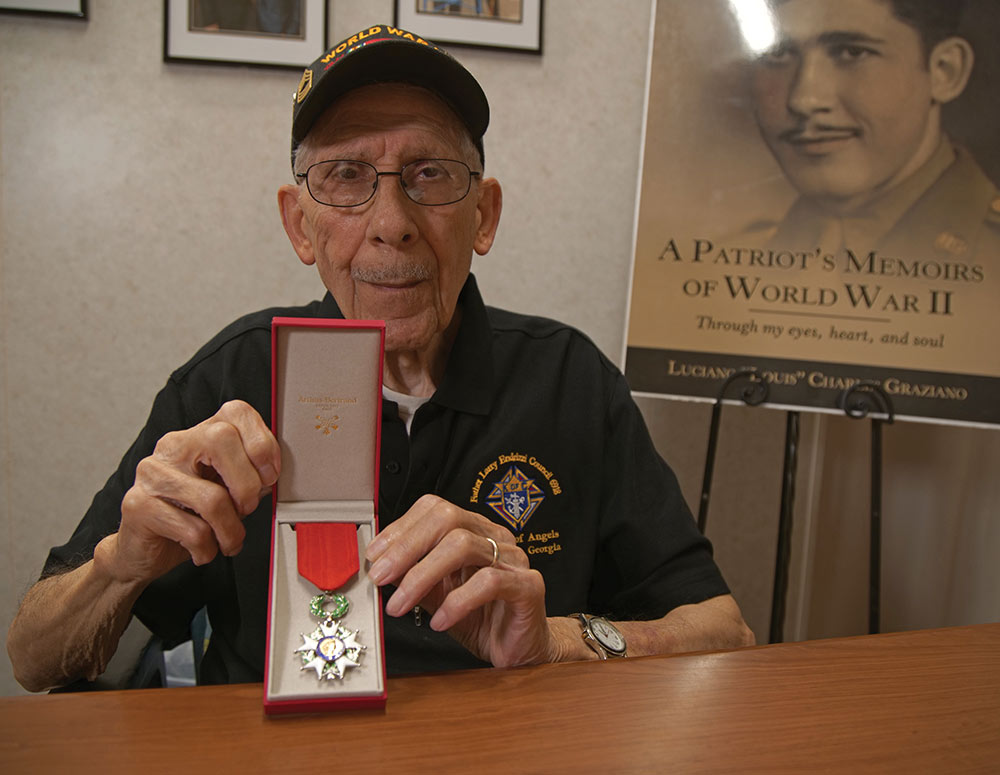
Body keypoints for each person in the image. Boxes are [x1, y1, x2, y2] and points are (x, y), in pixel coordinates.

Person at [7, 25, 753, 692]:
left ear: (484, 215)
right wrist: (117, 567)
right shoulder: (232, 377)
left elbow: (725, 629)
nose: (391, 224)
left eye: (430, 173)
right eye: (346, 177)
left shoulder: (570, 381)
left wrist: (558, 640)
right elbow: (32, 658)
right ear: (300, 226)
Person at [746, 0, 1000, 260]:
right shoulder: (741, 252)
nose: (803, 99)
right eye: (777, 54)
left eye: (852, 53)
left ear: (944, 72)